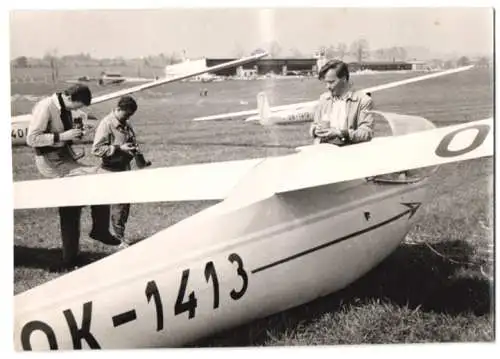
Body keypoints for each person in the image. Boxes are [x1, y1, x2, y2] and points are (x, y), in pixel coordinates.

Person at [26, 84, 121, 268]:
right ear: (70, 98)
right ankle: (99, 230)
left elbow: (61, 135)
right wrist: (62, 136)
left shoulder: (62, 106)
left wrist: (74, 135)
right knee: (98, 177)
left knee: (72, 204)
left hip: (65, 158)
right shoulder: (45, 106)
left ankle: (71, 256)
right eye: (77, 106)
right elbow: (32, 139)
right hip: (51, 162)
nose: (77, 110)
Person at [92, 96, 144, 247]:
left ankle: (118, 236)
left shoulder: (125, 124)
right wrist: (119, 148)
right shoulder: (106, 124)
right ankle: (116, 238)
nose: (128, 118)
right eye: (126, 114)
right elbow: (96, 150)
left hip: (124, 169)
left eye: (130, 115)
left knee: (123, 207)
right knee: (115, 207)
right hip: (110, 171)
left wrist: (138, 156)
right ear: (118, 109)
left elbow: (131, 142)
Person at [310, 60, 375, 146]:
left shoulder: (364, 101)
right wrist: (315, 130)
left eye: (331, 82)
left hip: (348, 154)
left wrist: (340, 133)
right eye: (326, 82)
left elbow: (366, 133)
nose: (327, 86)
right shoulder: (324, 99)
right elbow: (314, 125)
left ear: (344, 79)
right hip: (323, 152)